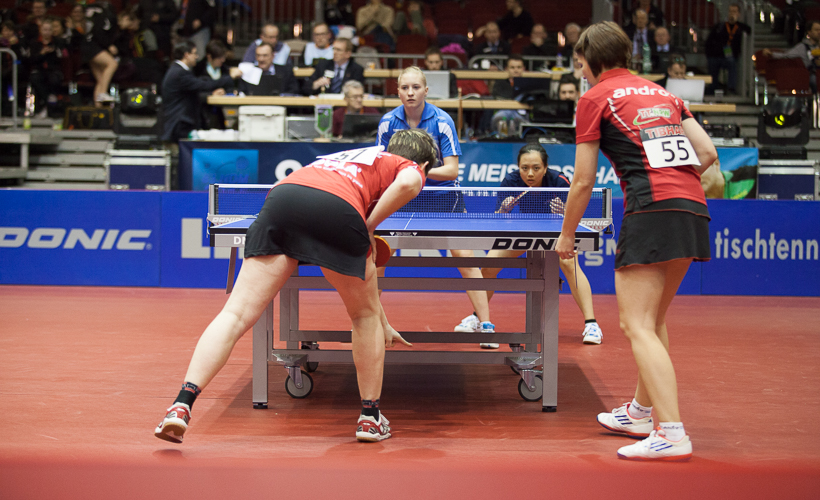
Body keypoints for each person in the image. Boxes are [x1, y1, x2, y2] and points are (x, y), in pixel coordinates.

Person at [154, 129, 437, 444]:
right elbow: (410, 183)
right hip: (339, 209)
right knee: (363, 317)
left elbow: (308, 192)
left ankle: (181, 404)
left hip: (283, 198)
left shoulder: (347, 157)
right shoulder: (408, 167)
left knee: (235, 313)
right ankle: (370, 419)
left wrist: (383, 319)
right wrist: (368, 228)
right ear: (423, 163)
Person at [556, 21, 717, 461]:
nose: (581, 73)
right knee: (653, 321)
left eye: (581, 64)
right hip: (692, 208)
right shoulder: (665, 94)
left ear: (592, 60)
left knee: (635, 325)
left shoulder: (594, 99)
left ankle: (672, 432)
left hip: (651, 211)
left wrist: (566, 235)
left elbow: (584, 180)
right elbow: (707, 155)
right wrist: (674, 184)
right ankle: (641, 412)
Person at [377, 67, 496, 349]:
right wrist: (405, 178)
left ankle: (486, 322)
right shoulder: (387, 122)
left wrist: (417, 171)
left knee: (465, 259)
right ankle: (371, 320)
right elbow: (380, 164)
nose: (410, 92)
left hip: (442, 198)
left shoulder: (442, 121)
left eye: (416, 87)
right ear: (397, 91)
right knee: (377, 257)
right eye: (405, 87)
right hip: (402, 196)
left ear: (426, 90)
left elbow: (452, 170)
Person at [466, 143, 603, 344]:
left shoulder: (559, 181)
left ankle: (592, 325)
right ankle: (477, 317)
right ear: (518, 167)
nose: (530, 173)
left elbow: (577, 213)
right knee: (488, 265)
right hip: (526, 233)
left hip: (558, 235)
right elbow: (497, 217)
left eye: (536, 168)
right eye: (525, 168)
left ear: (545, 168)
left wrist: (564, 212)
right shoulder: (511, 181)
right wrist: (504, 210)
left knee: (569, 264)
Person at [161, 41, 240, 143]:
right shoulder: (179, 73)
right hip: (178, 123)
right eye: (194, 53)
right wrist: (230, 78)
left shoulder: (177, 70)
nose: (197, 57)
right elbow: (204, 85)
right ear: (186, 55)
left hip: (181, 122)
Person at [763, 19, 820, 93]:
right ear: (809, 32)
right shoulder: (802, 47)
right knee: (814, 80)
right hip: (811, 74)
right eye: (816, 30)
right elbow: (786, 55)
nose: (819, 32)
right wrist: (771, 53)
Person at [705, 3, 751, 95]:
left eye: (734, 11)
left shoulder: (739, 27)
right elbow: (709, 41)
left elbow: (748, 30)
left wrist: (736, 22)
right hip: (716, 55)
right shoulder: (720, 26)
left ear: (738, 14)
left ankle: (731, 88)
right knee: (712, 63)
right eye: (730, 11)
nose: (731, 13)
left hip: (729, 56)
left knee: (731, 63)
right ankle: (712, 88)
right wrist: (709, 53)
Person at [79, 2, 119, 106]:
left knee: (101, 81)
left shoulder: (92, 9)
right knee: (112, 64)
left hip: (87, 45)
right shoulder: (104, 12)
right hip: (92, 45)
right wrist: (109, 45)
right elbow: (99, 32)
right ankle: (102, 94)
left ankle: (98, 108)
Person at [194, 39, 233, 129]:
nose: (223, 60)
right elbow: (196, 93)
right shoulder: (198, 70)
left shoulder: (225, 70)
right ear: (209, 57)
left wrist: (224, 92)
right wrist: (212, 94)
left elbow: (230, 87)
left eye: (223, 57)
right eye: (219, 58)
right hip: (203, 113)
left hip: (221, 114)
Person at [28, 20, 63, 118]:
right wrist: (42, 53)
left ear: (52, 31)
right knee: (35, 78)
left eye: (49, 30)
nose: (47, 32)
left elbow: (63, 58)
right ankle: (50, 99)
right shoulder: (34, 43)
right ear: (40, 30)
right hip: (39, 70)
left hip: (53, 70)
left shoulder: (58, 42)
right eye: (45, 30)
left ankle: (48, 105)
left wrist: (54, 52)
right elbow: (32, 60)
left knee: (54, 79)